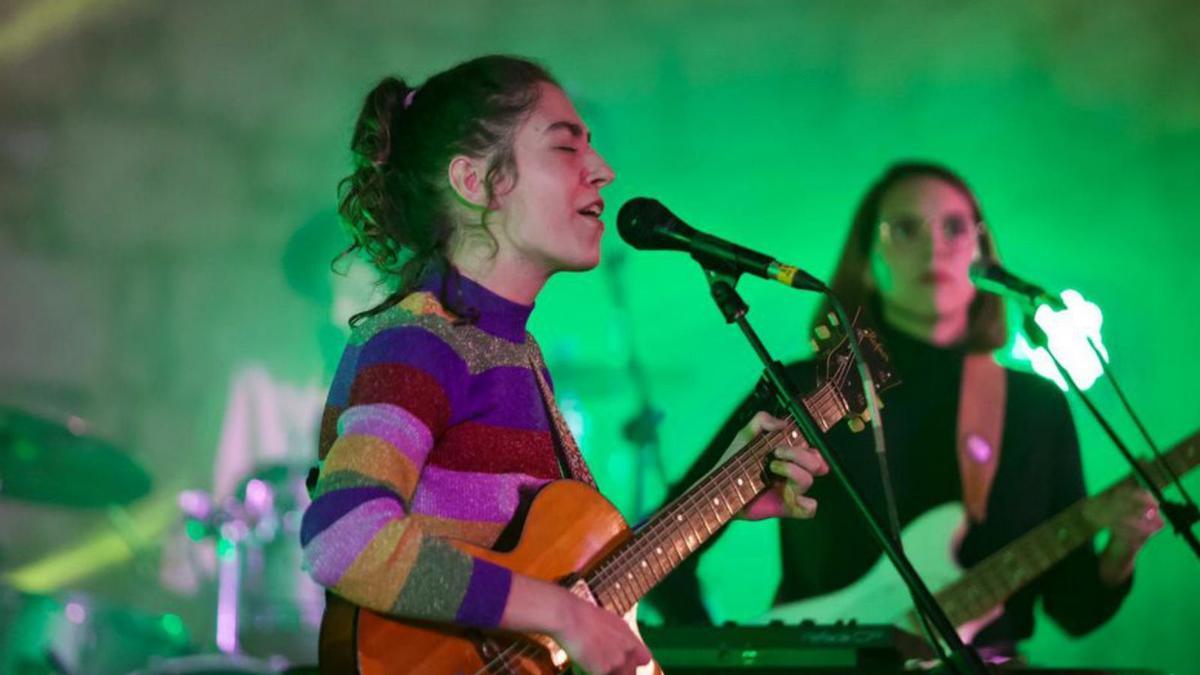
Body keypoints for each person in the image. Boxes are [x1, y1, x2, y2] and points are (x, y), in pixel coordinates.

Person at [298, 55, 827, 675]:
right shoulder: (419, 342)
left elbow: (583, 575)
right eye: (566, 149)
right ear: (476, 182)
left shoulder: (513, 351)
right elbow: (343, 534)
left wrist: (729, 491)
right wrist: (562, 614)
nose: (602, 172)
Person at [646, 161, 1163, 660]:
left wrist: (1121, 549)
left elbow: (1074, 612)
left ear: (982, 250)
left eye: (955, 228)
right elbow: (663, 553)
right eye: (905, 229)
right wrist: (727, 657)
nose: (934, 246)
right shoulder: (808, 387)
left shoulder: (1036, 405)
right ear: (867, 258)